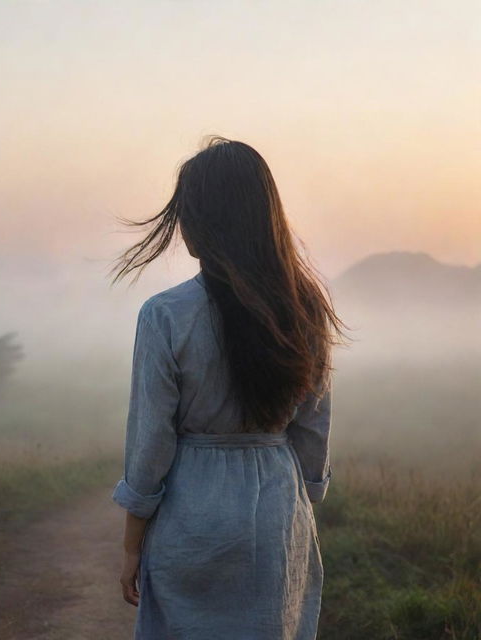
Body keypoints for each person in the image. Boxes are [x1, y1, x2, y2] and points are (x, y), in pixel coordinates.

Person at [108, 136, 350, 639]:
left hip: (192, 514)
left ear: (200, 227)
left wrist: (132, 545)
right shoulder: (306, 308)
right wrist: (297, 506)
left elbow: (151, 442)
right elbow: (313, 431)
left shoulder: (166, 315)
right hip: (278, 517)